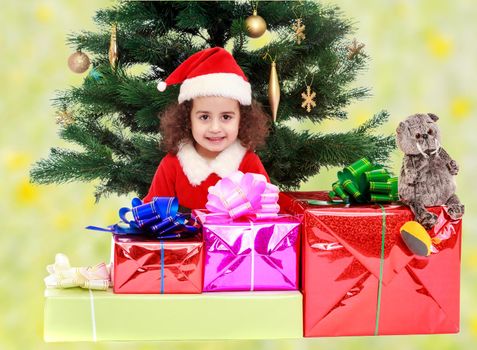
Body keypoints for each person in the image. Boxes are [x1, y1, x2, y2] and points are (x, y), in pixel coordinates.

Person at [143, 47, 271, 209]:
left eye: (226, 117)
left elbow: (268, 210)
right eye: (204, 117)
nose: (215, 128)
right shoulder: (172, 164)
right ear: (188, 118)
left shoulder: (249, 162)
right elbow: (152, 212)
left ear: (242, 119)